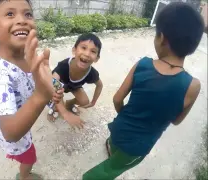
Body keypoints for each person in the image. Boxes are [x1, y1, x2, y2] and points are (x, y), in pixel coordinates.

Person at [83, 2, 205, 180]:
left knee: (115, 146)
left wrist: (126, 116)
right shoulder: (192, 85)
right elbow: (177, 120)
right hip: (138, 147)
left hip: (118, 129)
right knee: (106, 172)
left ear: (161, 38)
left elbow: (117, 99)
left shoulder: (143, 64)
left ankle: (111, 149)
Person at [0, 0, 63, 179]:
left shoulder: (29, 56)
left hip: (25, 118)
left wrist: (53, 87)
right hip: (16, 132)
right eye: (10, 14)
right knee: (29, 157)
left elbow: (45, 87)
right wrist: (41, 95)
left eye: (28, 14)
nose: (22, 20)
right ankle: (24, 177)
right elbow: (10, 133)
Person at [48, 33, 103, 130]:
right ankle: (55, 109)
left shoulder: (92, 73)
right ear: (74, 50)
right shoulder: (64, 66)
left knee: (85, 101)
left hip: (74, 86)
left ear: (97, 59)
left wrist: (94, 101)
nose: (87, 54)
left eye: (93, 51)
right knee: (56, 101)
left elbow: (100, 85)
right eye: (83, 48)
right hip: (58, 87)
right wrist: (65, 113)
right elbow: (52, 82)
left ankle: (69, 104)